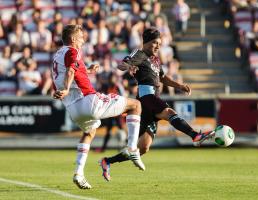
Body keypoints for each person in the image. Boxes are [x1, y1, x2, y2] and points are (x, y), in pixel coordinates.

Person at [99, 27, 215, 181]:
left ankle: (107, 162)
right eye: (155, 43)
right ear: (146, 42)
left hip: (151, 100)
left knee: (143, 148)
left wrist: (179, 86)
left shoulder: (155, 59)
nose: (158, 46)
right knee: (169, 113)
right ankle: (195, 136)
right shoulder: (140, 54)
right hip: (146, 97)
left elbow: (163, 77)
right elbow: (124, 64)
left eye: (159, 43)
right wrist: (128, 66)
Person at [52, 24, 145, 189]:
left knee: (90, 132)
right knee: (136, 105)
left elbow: (73, 69)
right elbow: (70, 72)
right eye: (81, 37)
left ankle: (79, 173)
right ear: (73, 39)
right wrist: (66, 88)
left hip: (73, 109)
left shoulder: (58, 54)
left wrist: (87, 70)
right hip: (89, 101)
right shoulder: (73, 51)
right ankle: (132, 148)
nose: (83, 39)